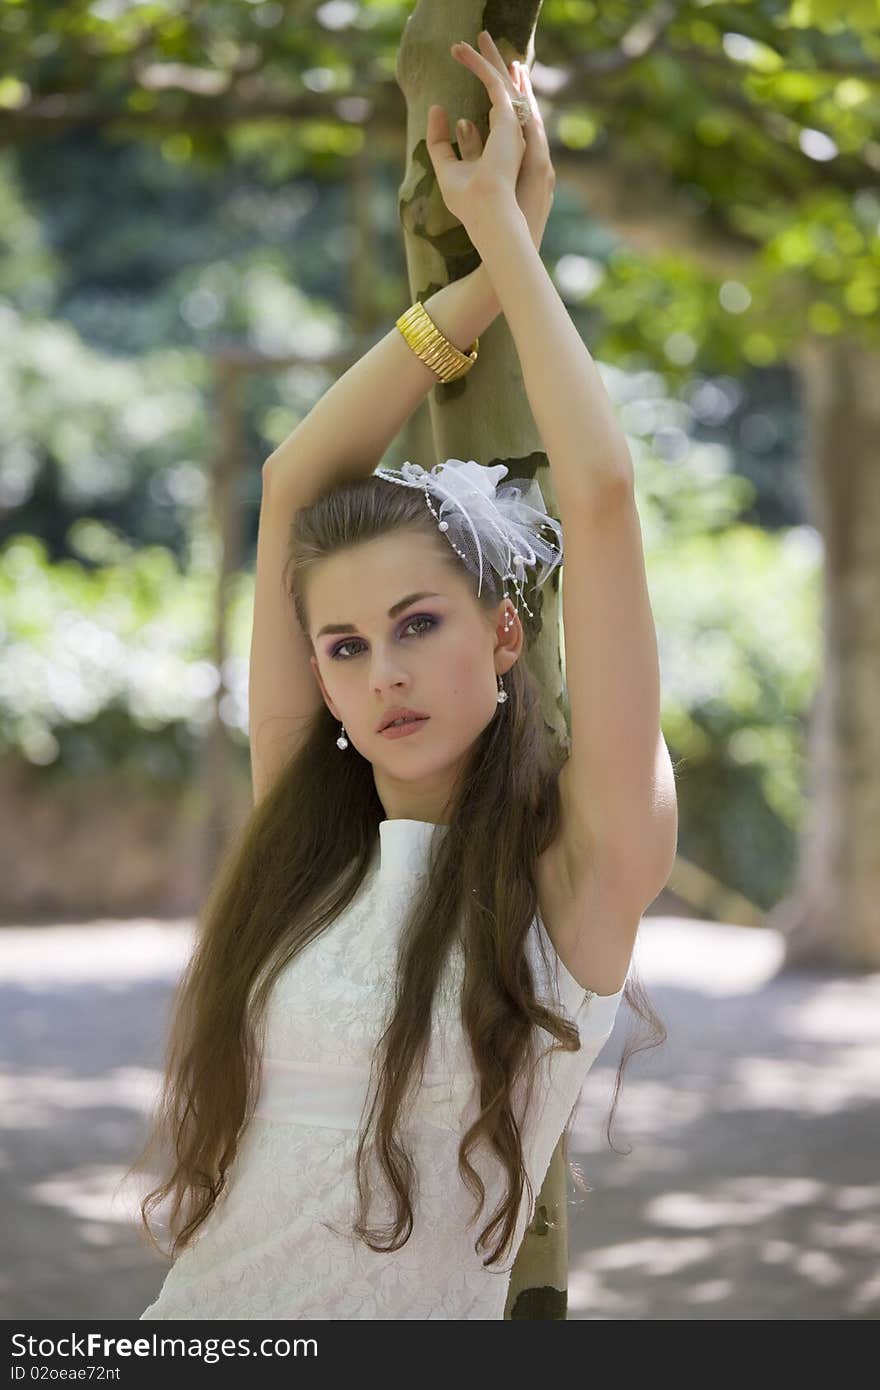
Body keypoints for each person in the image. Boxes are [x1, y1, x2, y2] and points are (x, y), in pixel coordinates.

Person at [133, 31, 675, 1320]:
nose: (382, 675)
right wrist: (473, 290)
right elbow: (287, 489)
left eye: (419, 625)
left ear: (503, 634)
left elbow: (597, 495)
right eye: (345, 646)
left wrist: (508, 239)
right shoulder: (304, 839)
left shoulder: (583, 865)